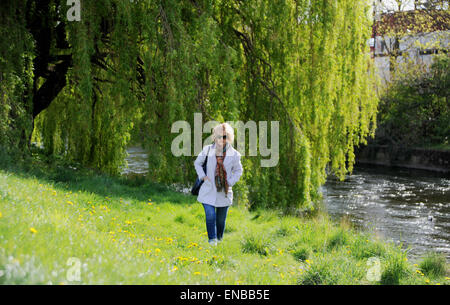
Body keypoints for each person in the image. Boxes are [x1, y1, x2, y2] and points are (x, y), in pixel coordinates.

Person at [194, 123, 243, 246]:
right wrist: (203, 177)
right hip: (208, 190)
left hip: (224, 193)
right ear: (214, 137)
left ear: (229, 138)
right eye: (219, 136)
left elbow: (238, 171)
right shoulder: (207, 150)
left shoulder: (235, 154)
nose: (222, 139)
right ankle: (212, 241)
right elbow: (198, 163)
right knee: (210, 215)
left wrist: (229, 182)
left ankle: (219, 241)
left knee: (221, 220)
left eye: (225, 137)